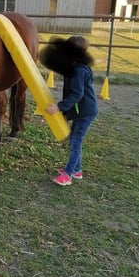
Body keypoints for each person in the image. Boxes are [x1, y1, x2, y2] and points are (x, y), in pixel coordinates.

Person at [43, 35, 98, 186]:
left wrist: (59, 107)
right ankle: (77, 170)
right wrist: (66, 113)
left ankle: (67, 175)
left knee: (75, 142)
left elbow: (77, 94)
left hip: (86, 112)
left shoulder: (78, 71)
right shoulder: (74, 67)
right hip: (81, 111)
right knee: (74, 139)